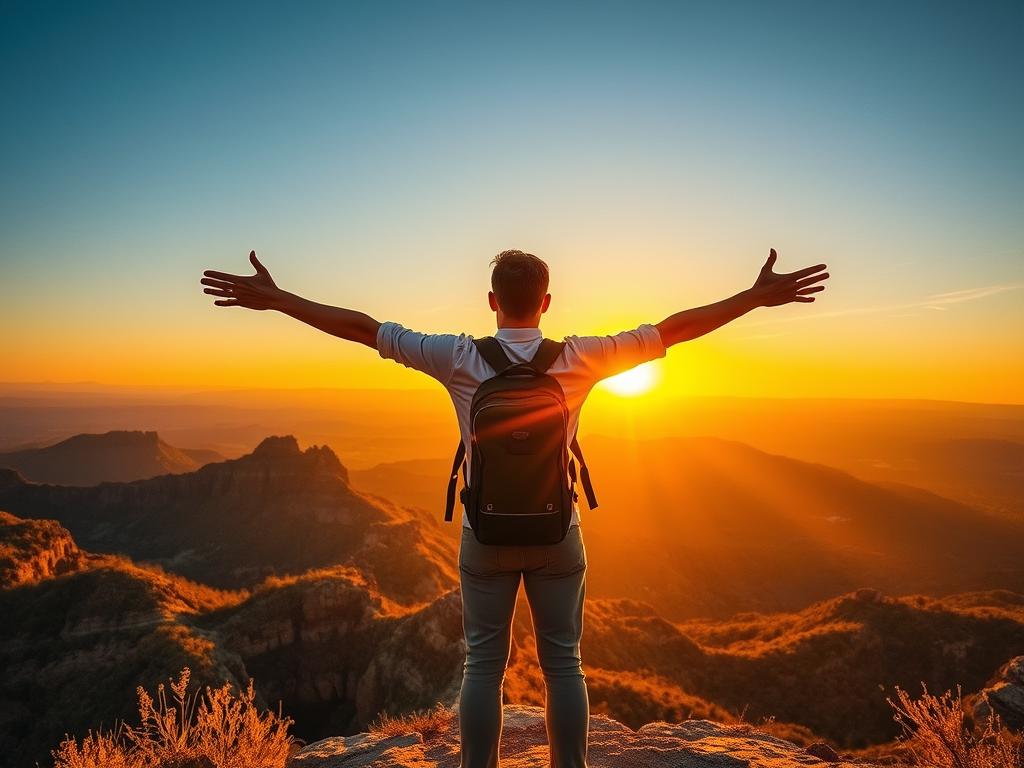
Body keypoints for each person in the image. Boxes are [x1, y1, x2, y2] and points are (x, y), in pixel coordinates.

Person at [201, 248, 828, 768]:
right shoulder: (581, 357)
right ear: (547, 302)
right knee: (563, 665)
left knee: (483, 663)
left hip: (485, 536)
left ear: (493, 300)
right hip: (559, 536)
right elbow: (674, 329)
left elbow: (365, 329)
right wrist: (752, 297)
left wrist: (281, 300)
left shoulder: (459, 357)